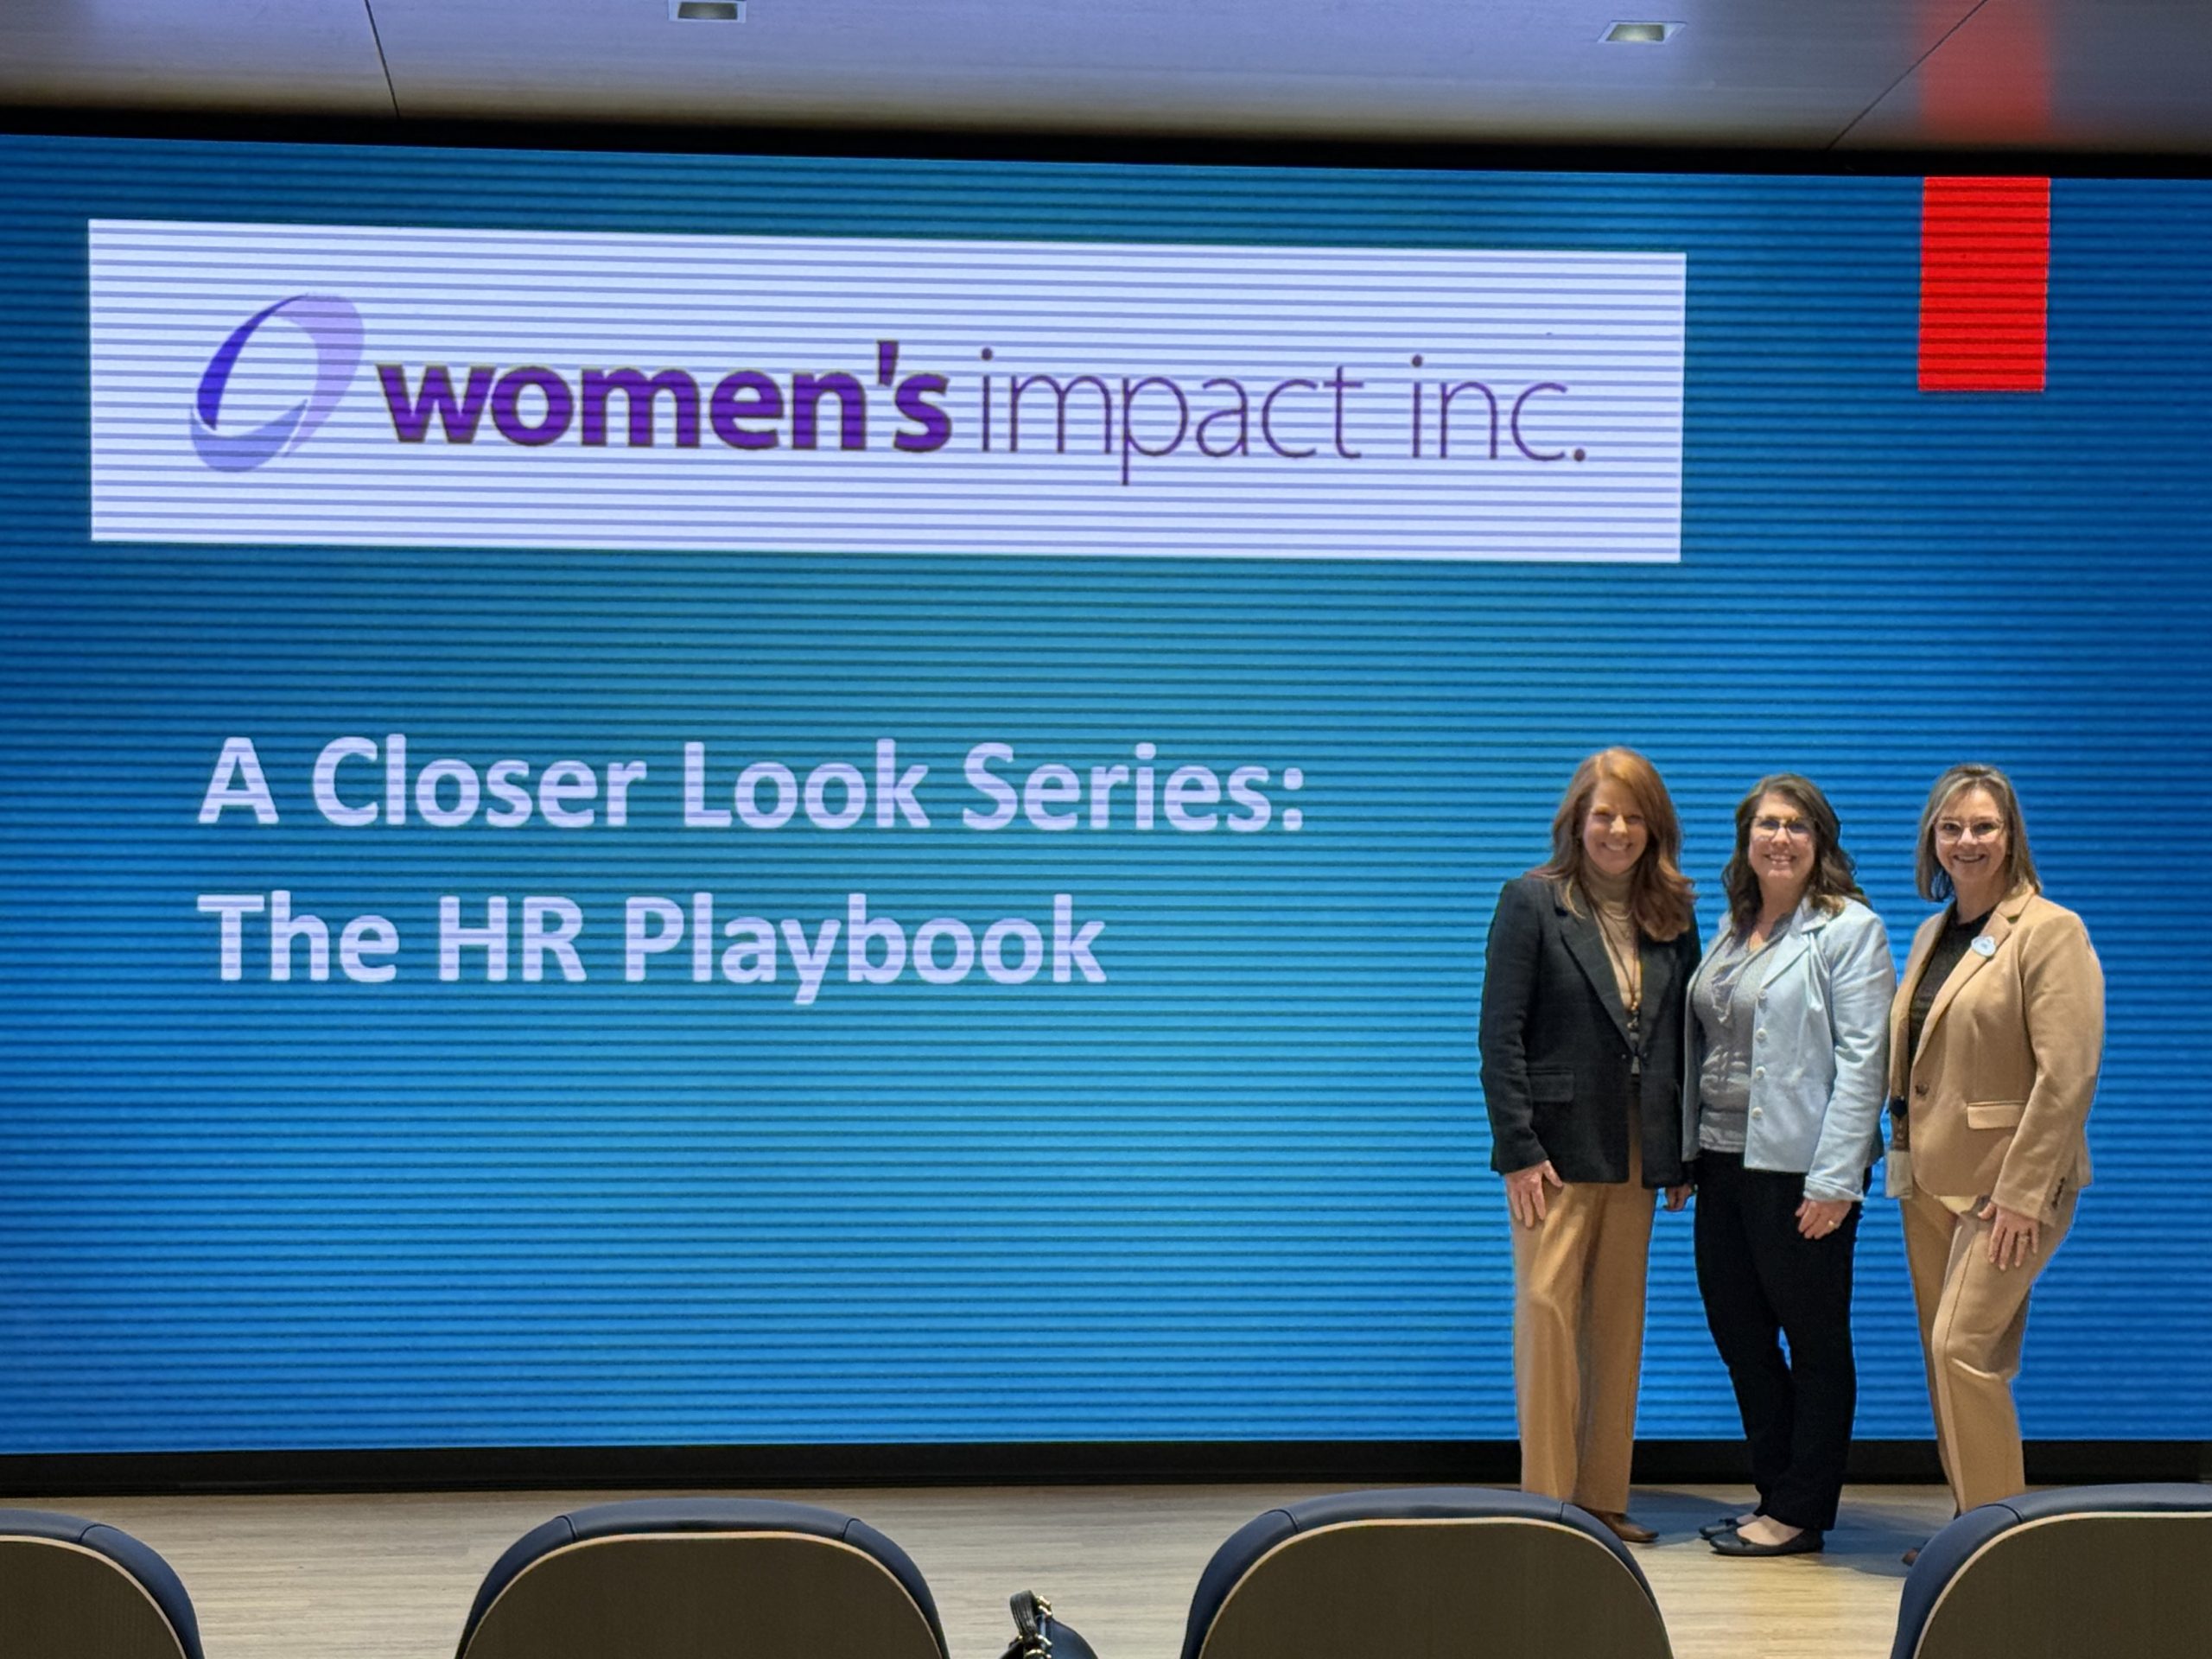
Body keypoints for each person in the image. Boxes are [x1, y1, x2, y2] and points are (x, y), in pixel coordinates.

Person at [1480, 747, 1699, 1545]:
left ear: (1655, 828)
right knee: (1546, 1315)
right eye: (1604, 813)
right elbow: (1498, 1034)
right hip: (1554, 1152)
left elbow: (1682, 1041)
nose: (1617, 829)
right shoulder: (1532, 903)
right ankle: (1548, 1502)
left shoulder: (1673, 912)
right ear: (1577, 819)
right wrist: (1517, 1147)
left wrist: (1681, 1153)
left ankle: (1602, 1499)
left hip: (1640, 1151)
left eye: (1634, 816)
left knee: (1618, 1322)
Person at [1888, 764, 2102, 1551]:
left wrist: (2021, 1193)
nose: (1967, 841)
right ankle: (1968, 1525)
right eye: (1952, 828)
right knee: (1944, 1360)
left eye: (1983, 827)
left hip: (2007, 1190)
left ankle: (1998, 1543)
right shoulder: (1932, 932)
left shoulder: (2050, 930)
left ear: (2011, 836)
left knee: (1963, 1350)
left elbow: (2068, 1073)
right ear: (1933, 841)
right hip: (1930, 1184)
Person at [1683, 775, 1893, 1558]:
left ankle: (1801, 1511)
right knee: (1740, 1336)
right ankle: (1775, 1493)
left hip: (1802, 1175)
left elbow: (1864, 1061)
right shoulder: (1732, 929)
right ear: (1746, 839)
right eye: (1767, 824)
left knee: (1814, 1343)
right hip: (1721, 1166)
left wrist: (1839, 1180)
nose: (1780, 837)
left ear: (1821, 841)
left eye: (1796, 825)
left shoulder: (1849, 930)